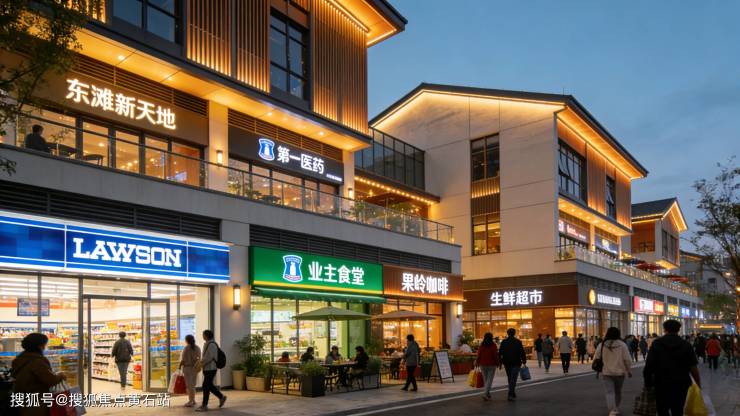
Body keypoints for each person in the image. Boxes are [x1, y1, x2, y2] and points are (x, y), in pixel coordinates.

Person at [644, 320, 701, 416]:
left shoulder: (657, 343)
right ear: (678, 329)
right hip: (681, 383)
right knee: (678, 410)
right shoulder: (686, 344)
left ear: (664, 329)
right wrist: (698, 383)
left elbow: (649, 365)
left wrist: (648, 382)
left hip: (660, 382)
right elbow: (693, 366)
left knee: (662, 410)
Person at [12, 333, 66, 416]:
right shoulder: (37, 361)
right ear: (40, 346)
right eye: (44, 344)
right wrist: (61, 375)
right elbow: (50, 380)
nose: (45, 347)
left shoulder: (19, 359)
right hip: (37, 401)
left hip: (23, 398)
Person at [595, 327, 632, 416]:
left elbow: (596, 358)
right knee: (618, 391)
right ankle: (615, 408)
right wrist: (628, 370)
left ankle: (612, 410)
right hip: (620, 372)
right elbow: (627, 359)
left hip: (606, 372)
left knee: (609, 392)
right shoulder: (622, 345)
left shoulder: (602, 345)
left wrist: (598, 371)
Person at [196, 329, 226, 412]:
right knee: (209, 385)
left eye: (203, 334)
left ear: (206, 336)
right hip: (208, 368)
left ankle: (204, 405)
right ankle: (221, 397)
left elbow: (209, 357)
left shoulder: (211, 344)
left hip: (211, 368)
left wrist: (200, 363)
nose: (202, 336)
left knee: (205, 386)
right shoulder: (208, 344)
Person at [498, 328, 526, 401]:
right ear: (514, 333)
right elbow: (522, 352)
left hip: (507, 362)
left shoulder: (504, 342)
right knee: (513, 378)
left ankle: (512, 392)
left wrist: (500, 362)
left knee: (510, 378)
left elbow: (500, 352)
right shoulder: (518, 342)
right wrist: (524, 360)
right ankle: (510, 394)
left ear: (507, 333)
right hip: (516, 362)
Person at [475, 332, 500, 401]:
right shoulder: (493, 345)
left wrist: (477, 362)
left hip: (482, 364)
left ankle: (487, 393)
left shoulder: (482, 345)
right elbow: (495, 355)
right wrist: (498, 363)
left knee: (486, 379)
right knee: (489, 380)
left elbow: (479, 354)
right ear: (491, 337)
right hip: (491, 364)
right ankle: (485, 394)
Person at [179, 334, 202, 407]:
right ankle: (193, 400)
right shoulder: (197, 348)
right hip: (195, 368)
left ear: (186, 340)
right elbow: (199, 358)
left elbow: (183, 360)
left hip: (187, 368)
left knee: (189, 386)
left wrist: (179, 366)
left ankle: (190, 401)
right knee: (193, 385)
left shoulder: (186, 348)